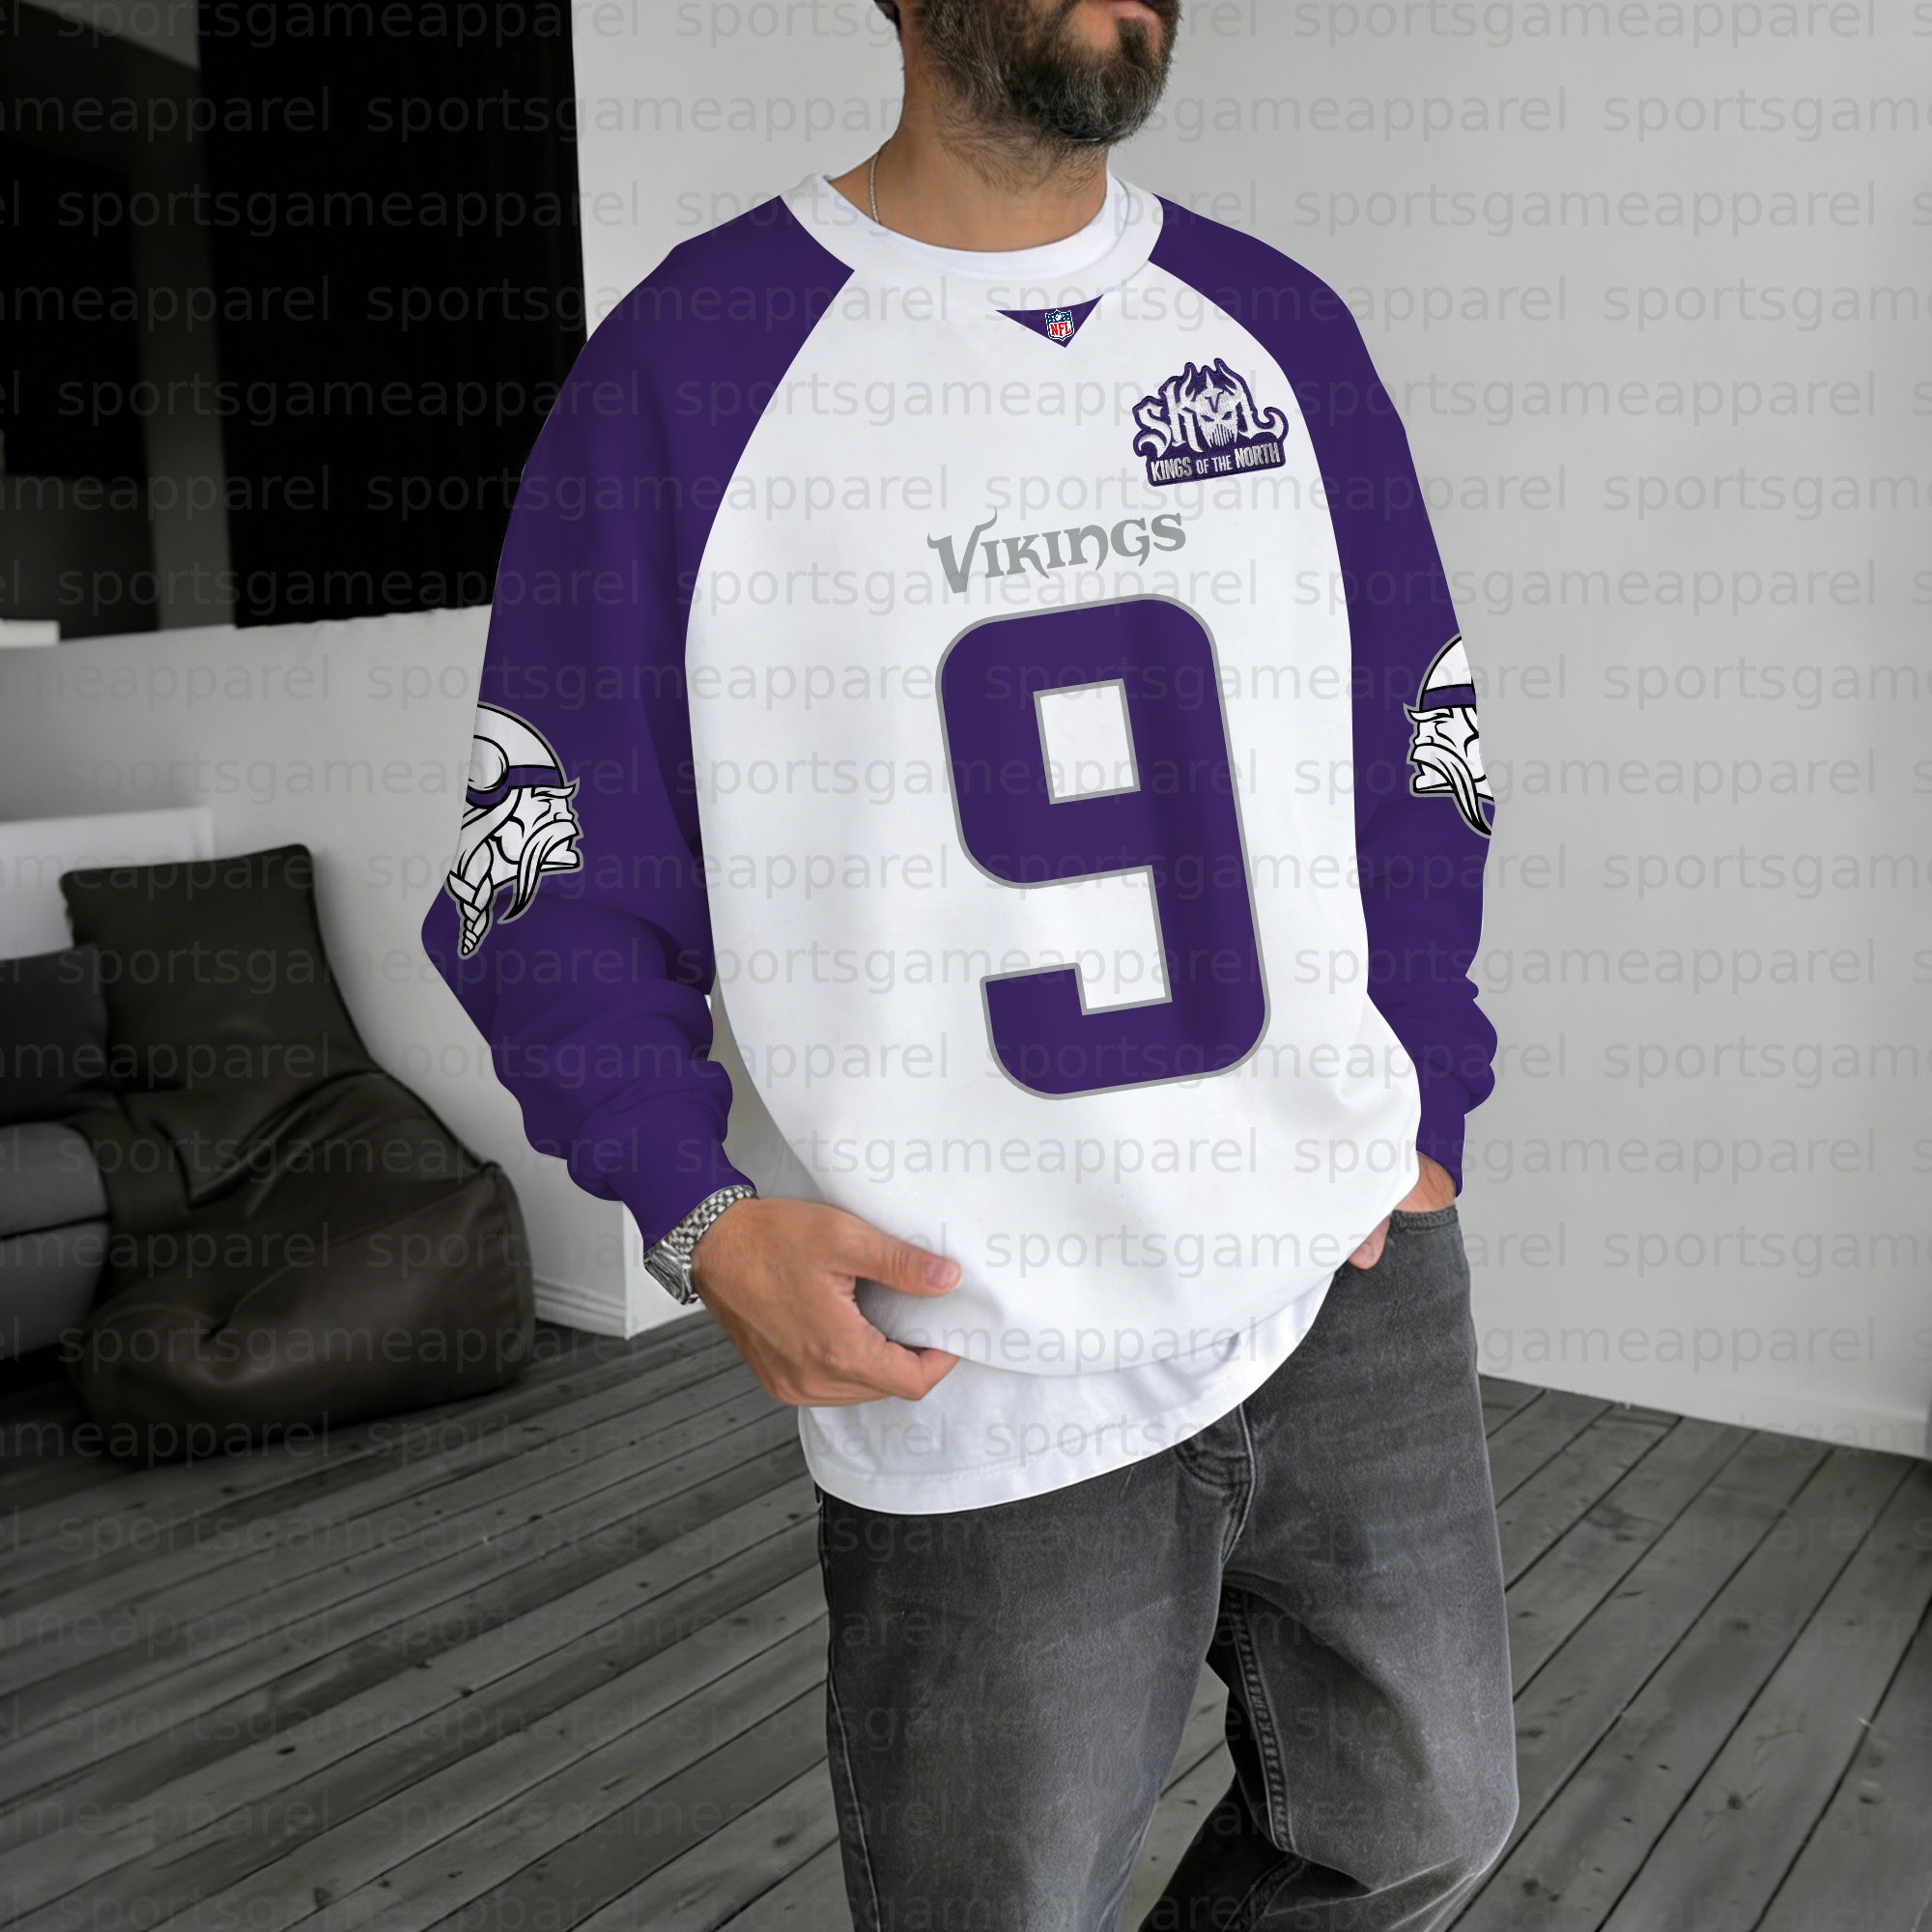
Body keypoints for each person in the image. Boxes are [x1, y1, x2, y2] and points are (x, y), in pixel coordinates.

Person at [421, 0, 1514, 1923]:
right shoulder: (696, 360)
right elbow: (544, 862)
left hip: (1345, 1275)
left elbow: (1416, 743)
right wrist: (696, 1214)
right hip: (969, 1344)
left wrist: (1423, 1091)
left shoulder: (1279, 331)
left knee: (1415, 1828)